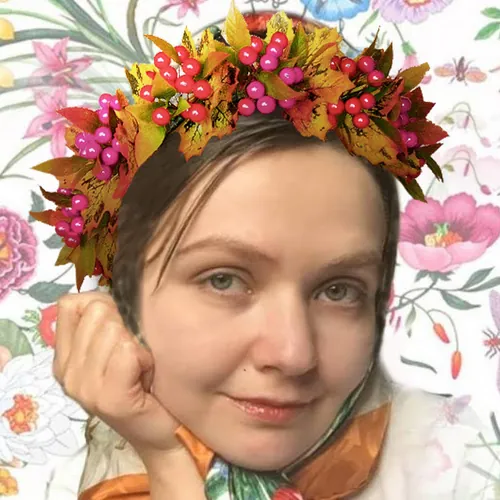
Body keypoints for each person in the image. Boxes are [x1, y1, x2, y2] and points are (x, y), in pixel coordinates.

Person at [32, 6, 482, 500]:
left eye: (338, 290)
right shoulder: (69, 485)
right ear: (123, 296)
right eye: (224, 279)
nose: (292, 354)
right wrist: (167, 459)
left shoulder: (466, 469)